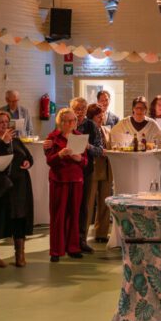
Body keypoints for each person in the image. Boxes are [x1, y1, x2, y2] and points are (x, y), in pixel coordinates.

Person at [0, 111, 35, 268]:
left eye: (6, 122)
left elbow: (29, 157)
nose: (4, 125)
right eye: (1, 122)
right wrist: (2, 142)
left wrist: (28, 163)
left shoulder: (16, 140)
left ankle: (20, 255)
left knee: (19, 218)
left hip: (18, 186)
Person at [45, 108, 90, 262]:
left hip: (76, 180)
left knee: (74, 215)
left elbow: (85, 162)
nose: (72, 123)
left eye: (74, 120)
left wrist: (79, 158)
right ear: (61, 122)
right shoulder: (52, 138)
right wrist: (60, 154)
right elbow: (49, 161)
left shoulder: (79, 137)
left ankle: (73, 248)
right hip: (59, 180)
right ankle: (56, 250)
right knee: (58, 215)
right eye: (69, 121)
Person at [71, 97, 104, 249]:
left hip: (86, 170)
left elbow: (99, 150)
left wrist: (88, 147)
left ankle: (81, 239)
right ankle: (68, 238)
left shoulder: (91, 125)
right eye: (77, 109)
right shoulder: (66, 123)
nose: (80, 112)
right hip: (68, 170)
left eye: (83, 109)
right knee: (69, 204)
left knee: (83, 205)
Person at [81, 104, 111, 248]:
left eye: (102, 115)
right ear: (91, 117)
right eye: (98, 116)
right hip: (92, 169)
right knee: (88, 203)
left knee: (105, 202)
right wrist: (99, 151)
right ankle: (83, 236)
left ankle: (102, 233)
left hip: (106, 169)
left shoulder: (107, 129)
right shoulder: (87, 129)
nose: (101, 118)